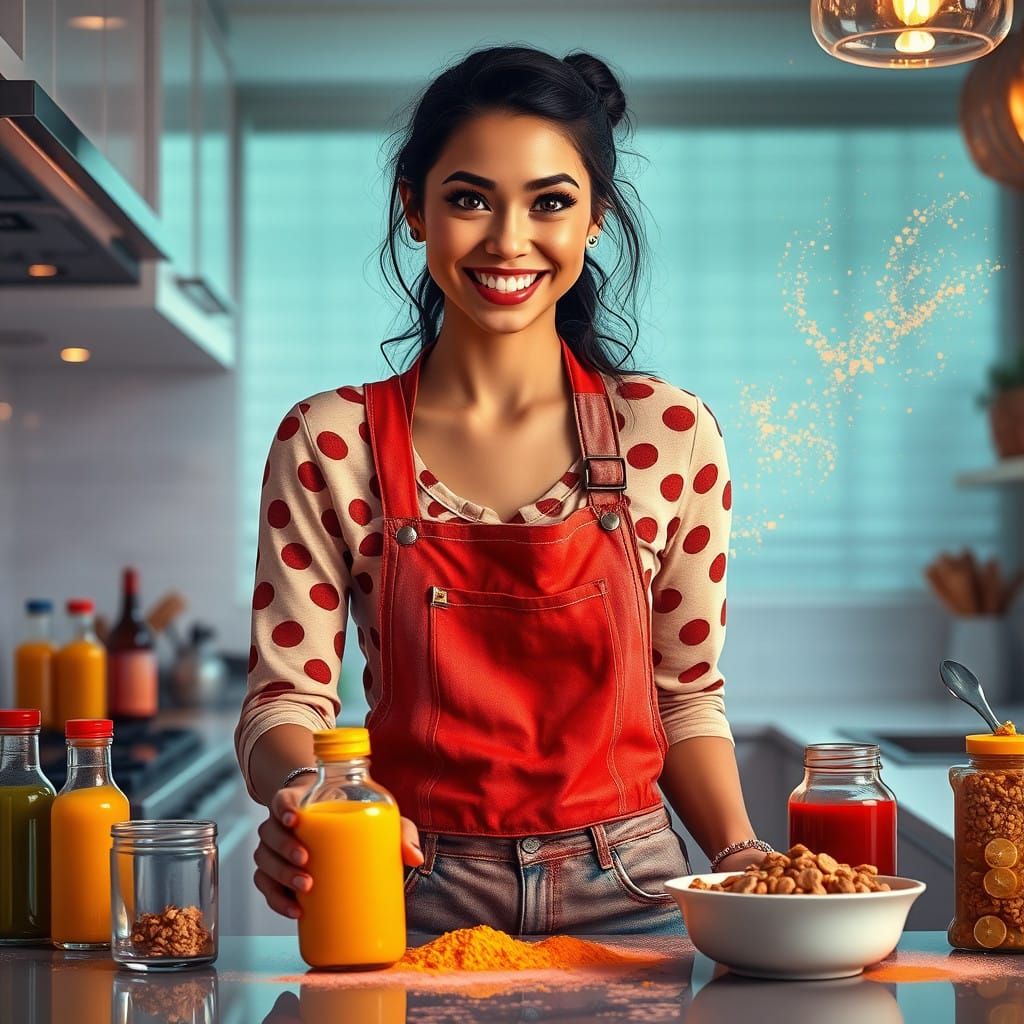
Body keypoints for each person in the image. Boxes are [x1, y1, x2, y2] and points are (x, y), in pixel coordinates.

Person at [235, 43, 770, 937]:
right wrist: (309, 793)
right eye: (470, 198)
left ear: (595, 217)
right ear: (415, 207)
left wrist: (744, 857)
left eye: (550, 202)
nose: (508, 240)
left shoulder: (668, 434)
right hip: (401, 883)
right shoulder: (332, 440)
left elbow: (684, 697)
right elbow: (283, 700)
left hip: (635, 892)